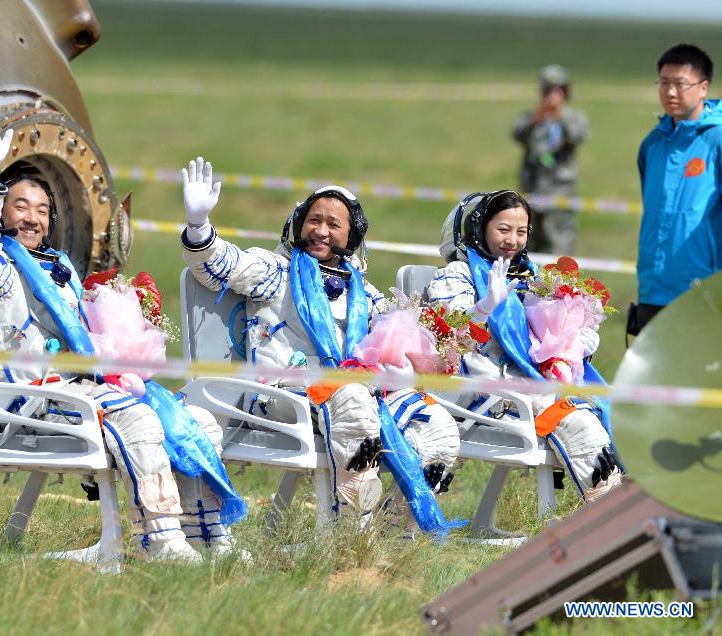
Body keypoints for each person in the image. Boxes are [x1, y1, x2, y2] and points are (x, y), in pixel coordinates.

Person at [0, 109, 244, 563]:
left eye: (41, 210)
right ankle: (161, 538)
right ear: (2, 213)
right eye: (20, 206)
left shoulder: (62, 271)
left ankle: (207, 535)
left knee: (197, 420)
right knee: (139, 419)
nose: (31, 218)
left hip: (77, 389)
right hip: (26, 397)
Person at [180, 156, 460, 534]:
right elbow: (221, 266)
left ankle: (399, 531)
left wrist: (445, 343)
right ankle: (352, 536)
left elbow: (406, 336)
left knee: (437, 426)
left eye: (334, 224)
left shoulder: (365, 292)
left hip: (351, 392)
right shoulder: (274, 273)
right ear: (298, 224)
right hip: (282, 395)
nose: (322, 231)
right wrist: (199, 227)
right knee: (352, 398)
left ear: (352, 236)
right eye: (314, 220)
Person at [428, 190, 622, 502]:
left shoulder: (532, 280)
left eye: (521, 232)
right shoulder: (456, 276)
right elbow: (447, 340)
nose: (512, 240)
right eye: (503, 230)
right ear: (479, 229)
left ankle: (619, 510)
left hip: (528, 385)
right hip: (481, 390)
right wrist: (483, 309)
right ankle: (611, 511)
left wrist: (574, 340)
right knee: (579, 422)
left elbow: (543, 343)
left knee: (606, 412)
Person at [632, 43, 722, 334]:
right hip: (653, 287)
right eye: (664, 83)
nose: (670, 92)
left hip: (703, 289)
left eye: (680, 84)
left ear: (703, 87)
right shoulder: (652, 144)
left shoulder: (717, 140)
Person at [512, 64, 589, 255]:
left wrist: (559, 116)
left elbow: (576, 136)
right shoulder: (533, 117)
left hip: (560, 191)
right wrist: (537, 117)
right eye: (548, 90)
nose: (552, 95)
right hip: (532, 188)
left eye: (558, 90)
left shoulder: (574, 117)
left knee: (558, 246)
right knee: (527, 244)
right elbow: (517, 134)